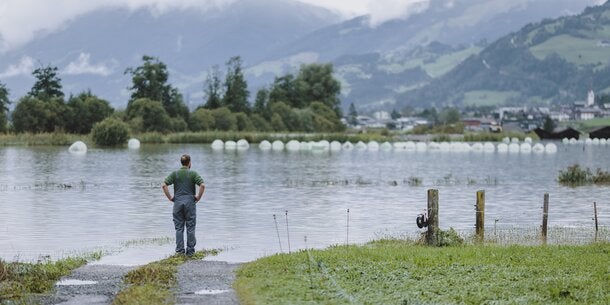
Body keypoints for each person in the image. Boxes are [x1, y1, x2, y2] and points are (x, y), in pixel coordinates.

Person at [162, 154, 205, 256]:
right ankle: (190, 252)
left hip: (177, 203)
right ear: (189, 163)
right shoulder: (193, 173)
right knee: (190, 227)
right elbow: (202, 185)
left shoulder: (175, 174)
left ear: (181, 162)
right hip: (190, 203)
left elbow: (164, 185)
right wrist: (198, 197)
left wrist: (170, 198)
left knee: (179, 228)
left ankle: (180, 252)